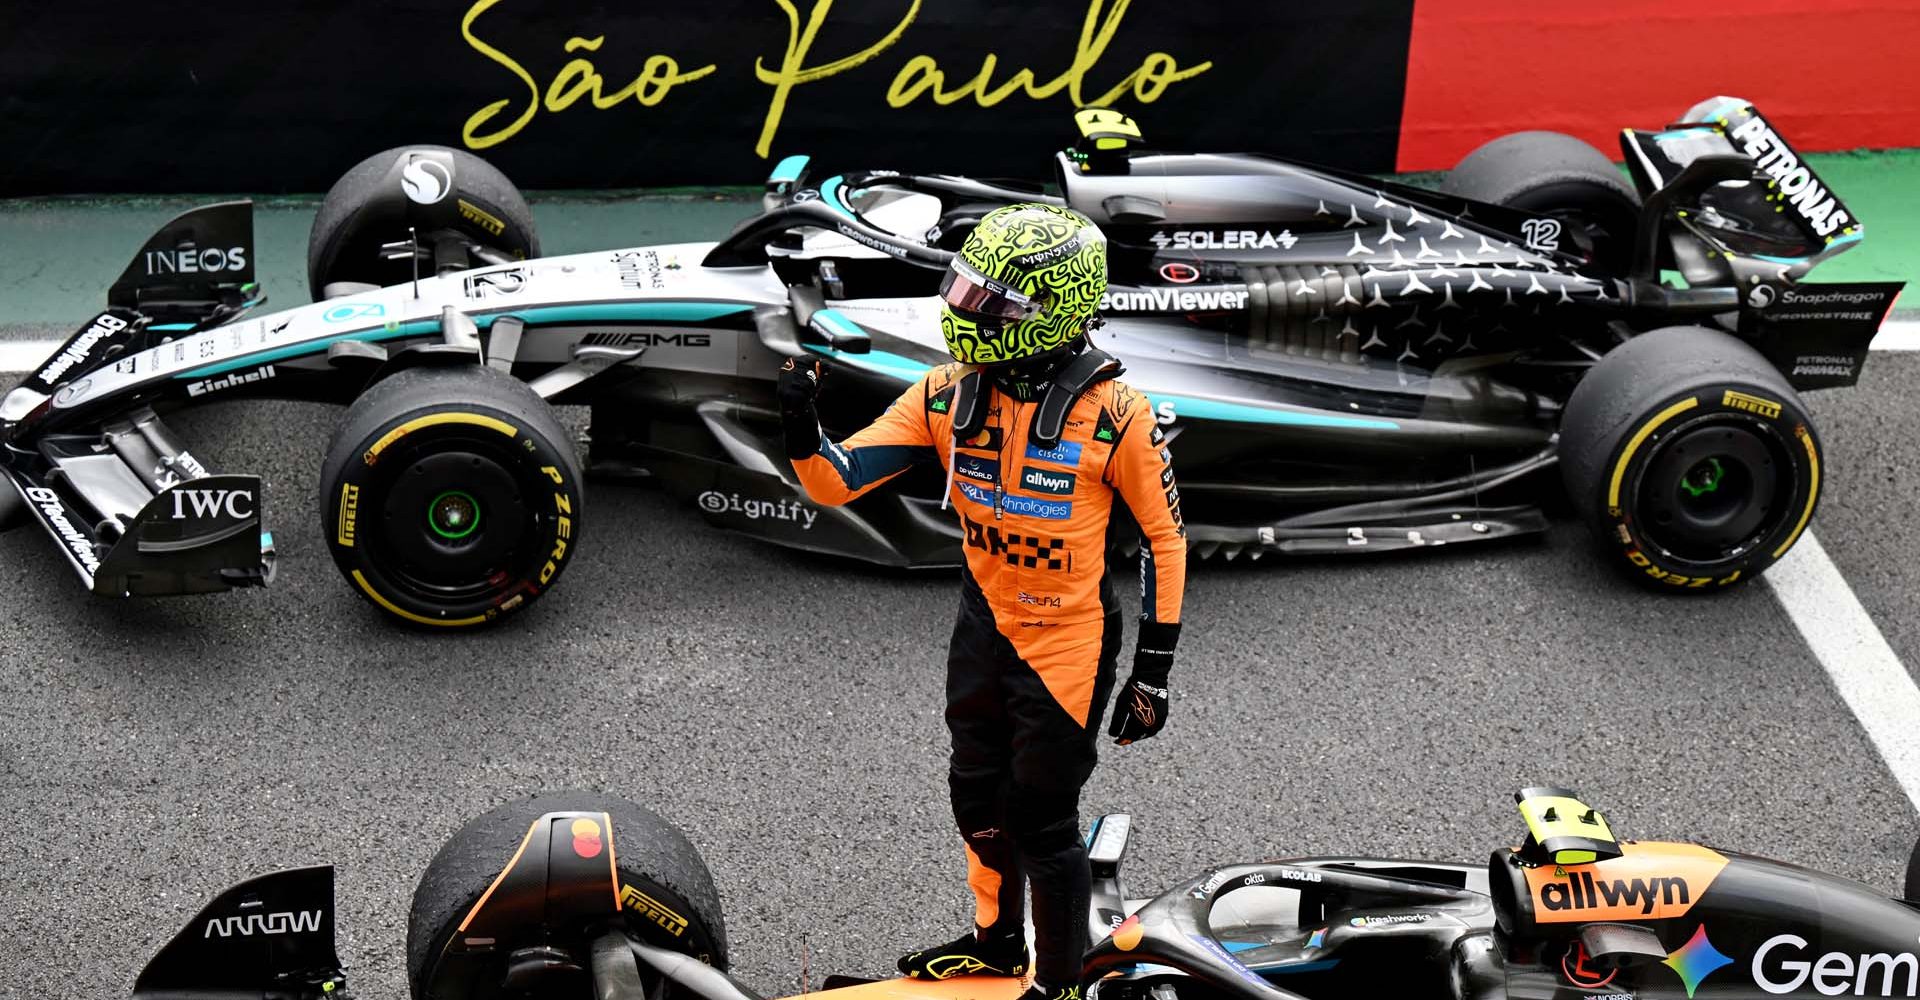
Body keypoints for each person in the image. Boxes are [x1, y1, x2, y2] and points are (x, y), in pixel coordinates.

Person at [777, 203, 1187, 1000]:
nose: (968, 312)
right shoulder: (942, 395)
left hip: (1067, 642)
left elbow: (1167, 544)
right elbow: (833, 479)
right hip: (984, 629)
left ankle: (1061, 987)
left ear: (1055, 309)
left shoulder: (1118, 416)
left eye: (993, 303)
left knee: (1044, 821)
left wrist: (1154, 672)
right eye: (966, 291)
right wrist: (801, 424)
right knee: (975, 798)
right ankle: (996, 947)